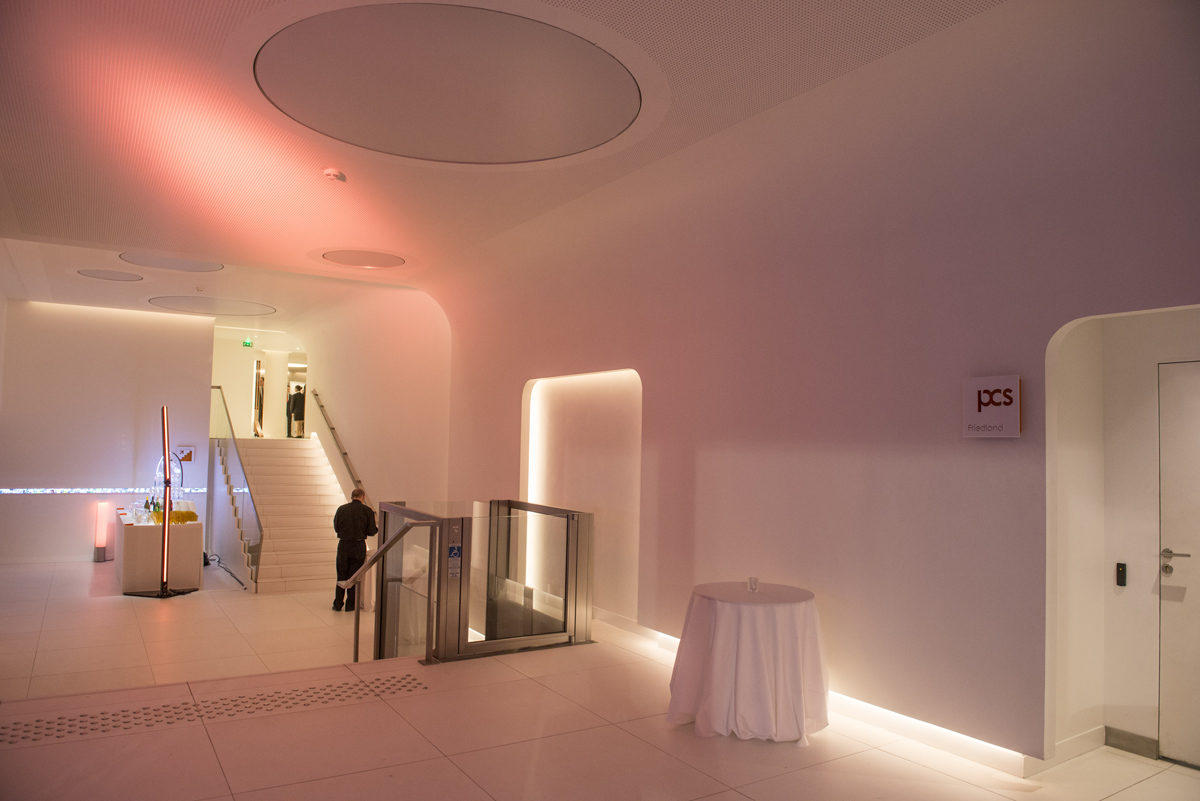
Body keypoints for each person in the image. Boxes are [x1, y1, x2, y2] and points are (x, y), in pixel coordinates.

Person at [332, 488, 376, 611]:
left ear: (352, 497)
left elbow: (336, 527)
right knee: (354, 575)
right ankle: (350, 605)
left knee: (341, 574)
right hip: (358, 545)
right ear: (363, 497)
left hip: (343, 544)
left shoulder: (341, 509)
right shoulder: (367, 511)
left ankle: (338, 604)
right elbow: (371, 531)